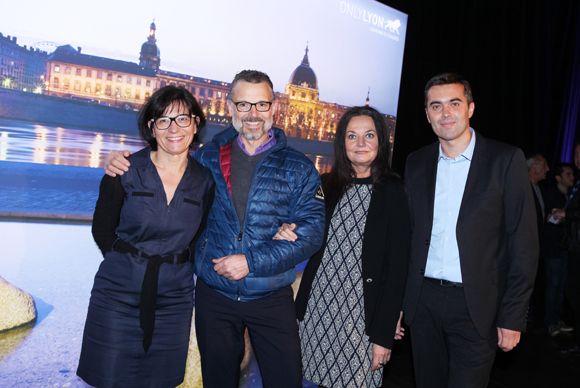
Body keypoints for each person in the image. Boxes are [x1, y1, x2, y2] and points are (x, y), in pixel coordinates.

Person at [103, 70, 326, 388]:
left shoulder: (300, 167)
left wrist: (251, 261)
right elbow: (160, 163)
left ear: (274, 107)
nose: (253, 114)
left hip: (271, 295)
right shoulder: (205, 158)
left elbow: (312, 232)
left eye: (261, 104)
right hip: (215, 295)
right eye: (244, 104)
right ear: (232, 107)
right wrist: (120, 161)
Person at [402, 73, 538, 388]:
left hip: (478, 306)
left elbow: (524, 244)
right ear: (427, 114)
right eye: (436, 106)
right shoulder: (416, 162)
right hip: (423, 303)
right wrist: (399, 304)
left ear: (470, 108)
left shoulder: (505, 160)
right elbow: (407, 239)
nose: (445, 113)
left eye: (454, 103)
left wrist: (513, 315)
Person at [77, 85, 214, 388]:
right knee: (109, 379)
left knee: (160, 381)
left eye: (182, 119)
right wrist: (125, 264)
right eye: (163, 120)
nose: (173, 128)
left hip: (174, 300)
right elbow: (102, 229)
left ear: (196, 124)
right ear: (152, 128)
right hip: (116, 296)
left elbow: (200, 237)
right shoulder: (124, 169)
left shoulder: (204, 181)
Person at [275, 106, 410, 388]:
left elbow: (397, 272)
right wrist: (286, 229)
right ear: (342, 143)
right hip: (316, 311)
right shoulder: (323, 186)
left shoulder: (396, 193)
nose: (360, 144)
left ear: (381, 142)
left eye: (369, 135)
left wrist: (384, 334)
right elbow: (300, 230)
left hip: (362, 319)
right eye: (352, 136)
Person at [552, 143, 580, 355]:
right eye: (576, 154)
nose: (578, 158)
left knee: (571, 290)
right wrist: (563, 218)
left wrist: (566, 214)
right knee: (570, 291)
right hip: (574, 247)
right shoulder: (578, 183)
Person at [541, 163, 574, 336]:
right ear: (558, 178)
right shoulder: (551, 195)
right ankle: (550, 322)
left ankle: (557, 319)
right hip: (553, 247)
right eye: (568, 174)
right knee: (553, 285)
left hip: (565, 247)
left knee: (561, 285)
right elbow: (547, 218)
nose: (572, 177)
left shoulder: (571, 195)